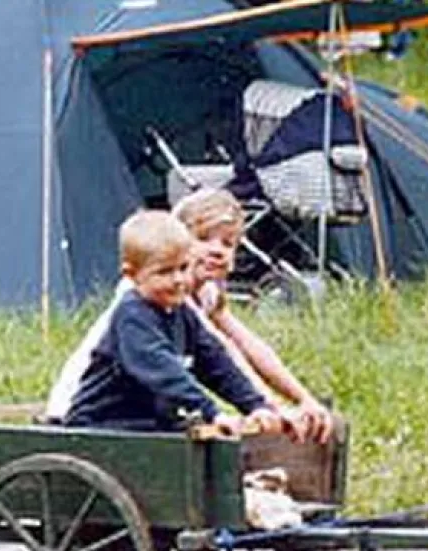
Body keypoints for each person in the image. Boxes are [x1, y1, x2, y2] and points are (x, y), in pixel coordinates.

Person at [61, 209, 289, 438]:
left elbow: (216, 362)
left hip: (150, 424)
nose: (178, 280)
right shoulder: (133, 315)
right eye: (164, 272)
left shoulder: (181, 312)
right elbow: (164, 372)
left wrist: (255, 405)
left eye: (183, 268)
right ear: (132, 274)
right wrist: (212, 413)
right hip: (103, 425)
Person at [174, 188, 336, 443]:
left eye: (227, 243)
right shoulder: (168, 292)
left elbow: (248, 344)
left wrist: (303, 399)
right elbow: (222, 351)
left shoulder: (207, 290)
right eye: (204, 239)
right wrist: (267, 407)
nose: (217, 250)